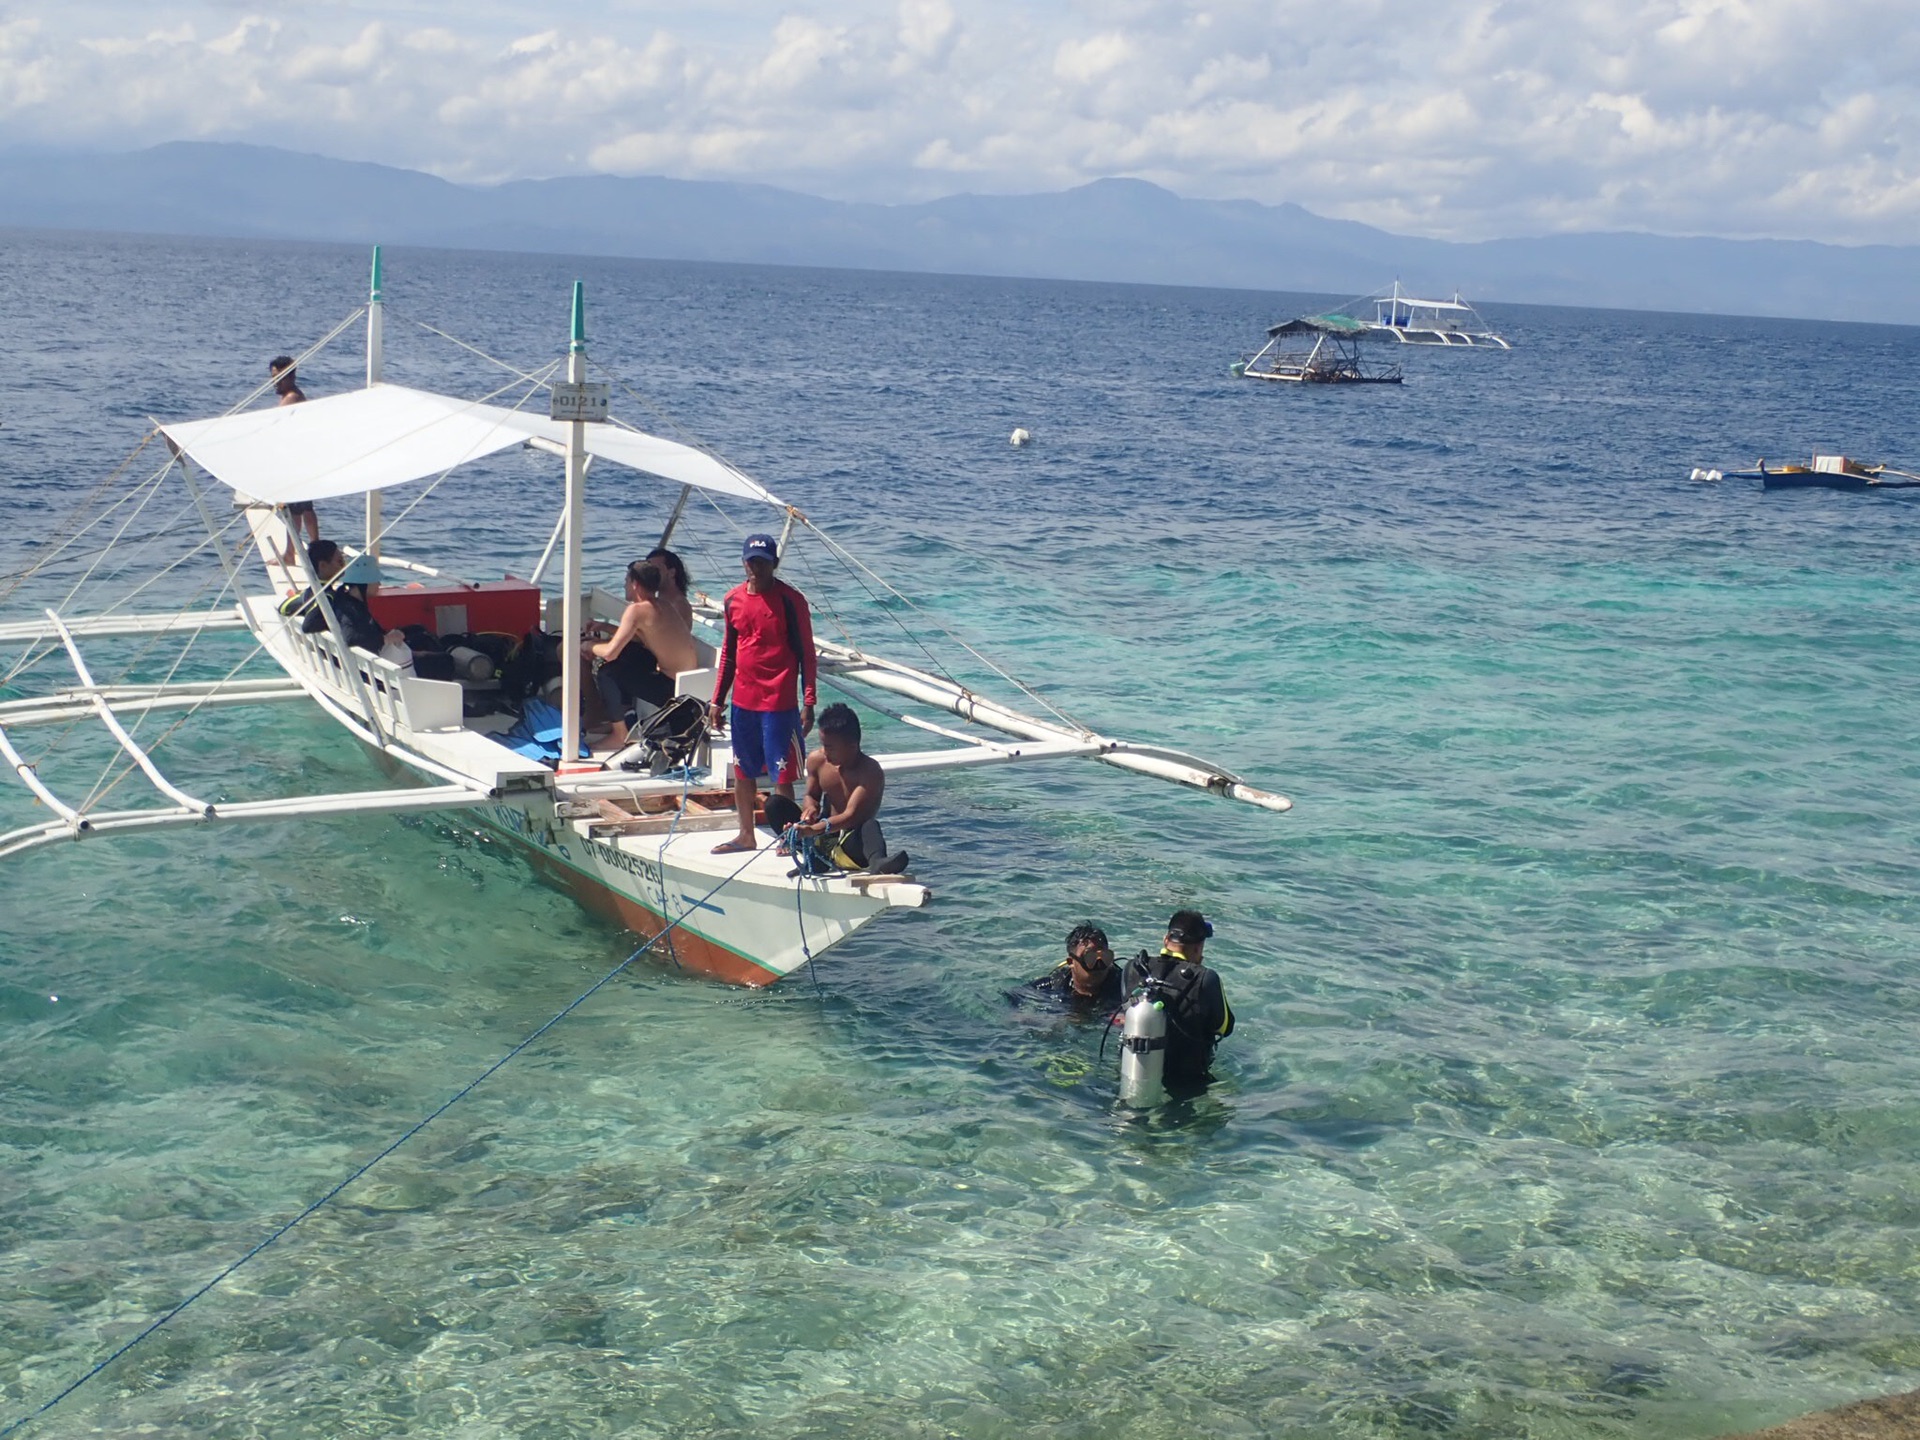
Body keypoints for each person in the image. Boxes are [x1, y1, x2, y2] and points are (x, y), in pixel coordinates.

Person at [709, 533, 817, 854]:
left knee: (781, 773)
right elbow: (728, 653)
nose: (756, 568)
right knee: (743, 771)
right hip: (744, 703)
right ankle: (746, 834)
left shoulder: (790, 600)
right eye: (751, 561)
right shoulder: (732, 600)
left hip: (779, 703)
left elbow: (807, 655)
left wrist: (808, 700)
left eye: (763, 562)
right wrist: (717, 700)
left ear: (774, 564)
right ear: (743, 561)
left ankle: (786, 837)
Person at [587, 560, 700, 749]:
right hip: (685, 685)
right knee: (629, 655)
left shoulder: (636, 610)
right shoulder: (663, 605)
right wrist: (605, 627)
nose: (624, 585)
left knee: (606, 671)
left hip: (670, 692)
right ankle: (621, 720)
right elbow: (641, 638)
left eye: (626, 580)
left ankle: (619, 734)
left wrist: (588, 646)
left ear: (635, 584)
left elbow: (609, 653)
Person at [1122, 909, 1234, 1083]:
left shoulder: (1133, 968)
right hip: (1185, 1080)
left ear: (1166, 940)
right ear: (1199, 947)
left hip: (1134, 1071)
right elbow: (1224, 1027)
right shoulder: (1206, 978)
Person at [794, 702, 887, 870]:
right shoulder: (817, 760)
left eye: (830, 747)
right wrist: (809, 811)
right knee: (776, 805)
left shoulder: (870, 771)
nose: (825, 752)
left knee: (870, 826)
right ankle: (814, 859)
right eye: (823, 745)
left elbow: (850, 816)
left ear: (852, 746)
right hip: (820, 836)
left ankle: (878, 863)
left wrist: (814, 829)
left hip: (849, 844)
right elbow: (811, 795)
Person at [280, 540, 397, 655]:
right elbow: (308, 626)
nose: (344, 566)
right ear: (323, 565)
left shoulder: (311, 591)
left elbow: (284, 608)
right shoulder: (328, 596)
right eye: (340, 562)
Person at [270, 356, 320, 564]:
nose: (275, 382)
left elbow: (276, 426)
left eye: (279, 378)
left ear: (291, 376)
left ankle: (295, 553)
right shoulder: (294, 396)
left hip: (297, 461)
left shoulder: (291, 397)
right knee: (302, 510)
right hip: (301, 458)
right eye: (273, 378)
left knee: (297, 510)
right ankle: (307, 549)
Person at [1010, 922, 1123, 1012]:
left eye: (1105, 957)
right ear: (1071, 962)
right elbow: (1015, 994)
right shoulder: (1057, 984)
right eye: (1090, 958)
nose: (1099, 965)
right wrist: (1021, 1016)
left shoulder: (1123, 984)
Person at [646, 545, 695, 629]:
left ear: (672, 573)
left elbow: (662, 637)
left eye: (656, 570)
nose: (651, 574)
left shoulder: (678, 605)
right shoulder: (660, 602)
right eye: (648, 571)